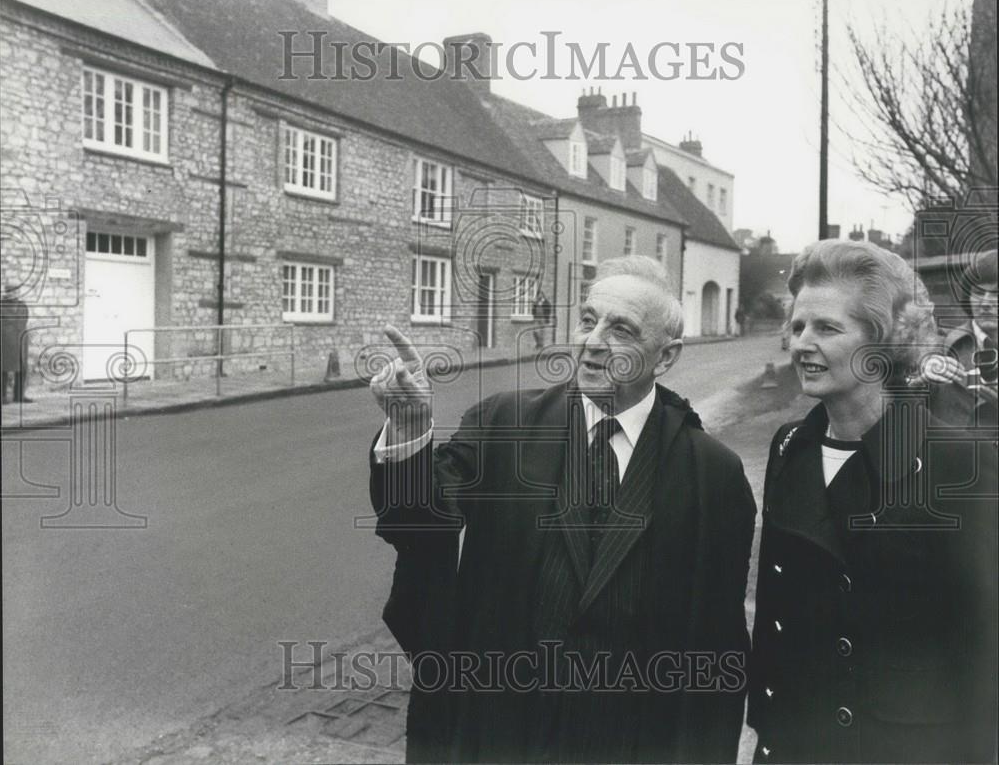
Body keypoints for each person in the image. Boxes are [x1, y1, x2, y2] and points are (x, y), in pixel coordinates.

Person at [369, 256, 756, 762]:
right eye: (589, 319)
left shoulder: (714, 475)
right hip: (499, 730)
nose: (593, 342)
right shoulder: (502, 423)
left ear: (665, 357)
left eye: (621, 330)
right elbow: (418, 527)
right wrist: (410, 429)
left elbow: (717, 647)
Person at [747, 240, 997, 763]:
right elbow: (775, 613)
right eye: (796, 327)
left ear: (884, 342)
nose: (801, 344)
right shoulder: (790, 446)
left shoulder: (956, 461)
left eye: (827, 328)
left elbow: (984, 641)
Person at [916, 249, 997, 424]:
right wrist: (920, 381)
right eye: (978, 292)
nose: (985, 303)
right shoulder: (940, 346)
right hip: (950, 450)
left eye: (996, 293)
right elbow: (897, 410)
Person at [1, 282, 30, 404]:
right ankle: (2, 397)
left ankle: (19, 396)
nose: (15, 293)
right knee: (3, 369)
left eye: (17, 291)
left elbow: (25, 320)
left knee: (22, 368)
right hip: (5, 341)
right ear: (7, 293)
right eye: (12, 291)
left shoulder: (23, 306)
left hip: (21, 340)